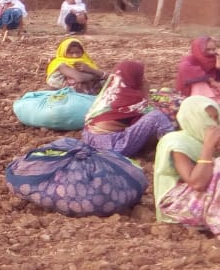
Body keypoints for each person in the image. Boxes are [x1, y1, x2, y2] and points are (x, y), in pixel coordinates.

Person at [82, 61, 176, 157]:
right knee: (157, 116)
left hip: (89, 139)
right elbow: (149, 112)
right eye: (141, 76)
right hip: (112, 147)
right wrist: (145, 94)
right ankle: (173, 149)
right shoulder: (131, 98)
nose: (144, 79)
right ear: (133, 78)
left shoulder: (111, 92)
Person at [153, 96, 220, 231]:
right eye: (208, 118)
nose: (213, 124)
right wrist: (208, 147)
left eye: (215, 118)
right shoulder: (177, 142)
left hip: (203, 197)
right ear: (193, 119)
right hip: (177, 204)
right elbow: (197, 183)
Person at [176, 37, 220, 101]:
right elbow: (184, 68)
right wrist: (210, 80)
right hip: (195, 91)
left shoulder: (215, 57)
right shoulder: (190, 59)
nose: (212, 52)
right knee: (199, 83)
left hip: (213, 88)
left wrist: (218, 65)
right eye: (208, 50)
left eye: (213, 49)